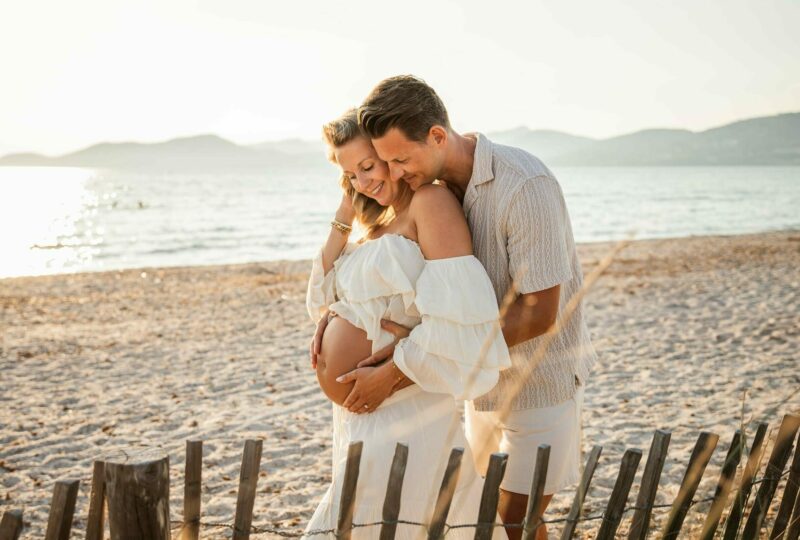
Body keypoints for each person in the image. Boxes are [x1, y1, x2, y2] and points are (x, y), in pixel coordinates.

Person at [334, 75, 597, 540]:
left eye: (400, 160)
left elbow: (538, 312)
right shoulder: (431, 188)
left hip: (540, 383)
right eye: (386, 162)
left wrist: (403, 366)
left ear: (437, 135)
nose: (394, 173)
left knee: (516, 522)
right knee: (483, 522)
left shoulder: (524, 185)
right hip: (476, 386)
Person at [304, 108, 511, 538]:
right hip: (360, 414)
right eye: (350, 175)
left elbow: (460, 311)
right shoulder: (375, 227)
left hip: (404, 401)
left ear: (388, 153)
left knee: (392, 521)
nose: (363, 181)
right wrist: (345, 212)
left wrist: (398, 361)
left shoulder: (429, 202)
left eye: (368, 166)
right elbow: (318, 298)